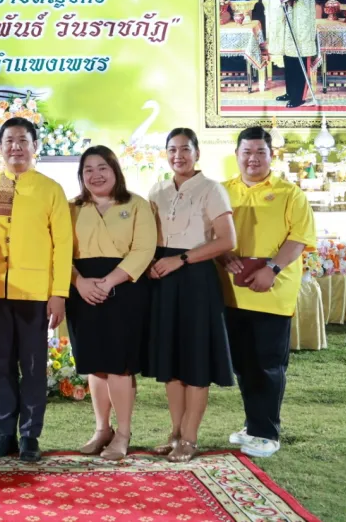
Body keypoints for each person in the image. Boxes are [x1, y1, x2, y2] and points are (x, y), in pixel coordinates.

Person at [0, 117, 71, 463]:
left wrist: (58, 292)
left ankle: (29, 435)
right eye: (9, 140)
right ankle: (4, 433)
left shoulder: (51, 189)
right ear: (0, 148)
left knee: (33, 366)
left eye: (23, 140)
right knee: (1, 366)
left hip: (35, 293)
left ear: (34, 146)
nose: (16, 147)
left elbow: (63, 245)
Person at [221, 126, 316, 458]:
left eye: (260, 152)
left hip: (272, 292)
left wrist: (271, 269)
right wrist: (224, 256)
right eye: (246, 152)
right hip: (232, 293)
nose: (253, 159)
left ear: (271, 156)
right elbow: (210, 234)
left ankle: (267, 433)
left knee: (268, 364)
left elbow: (299, 238)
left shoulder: (290, 194)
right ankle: (253, 425)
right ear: (236, 155)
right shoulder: (222, 192)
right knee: (243, 364)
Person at [145, 128, 237, 462]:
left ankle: (190, 438)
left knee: (196, 360)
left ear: (197, 153)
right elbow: (149, 236)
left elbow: (227, 240)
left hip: (196, 279)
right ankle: (174, 433)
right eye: (172, 150)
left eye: (185, 149)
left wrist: (180, 259)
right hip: (163, 279)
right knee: (170, 361)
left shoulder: (212, 189)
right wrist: (152, 263)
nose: (178, 156)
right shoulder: (157, 190)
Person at [67, 145, 155, 461]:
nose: (96, 175)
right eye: (88, 169)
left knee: (120, 365)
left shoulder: (136, 205)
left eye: (102, 167)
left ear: (115, 170)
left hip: (125, 289)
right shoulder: (71, 208)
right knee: (95, 364)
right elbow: (59, 250)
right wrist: (78, 281)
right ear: (81, 176)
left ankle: (123, 434)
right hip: (82, 291)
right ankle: (101, 429)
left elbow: (144, 249)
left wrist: (108, 282)